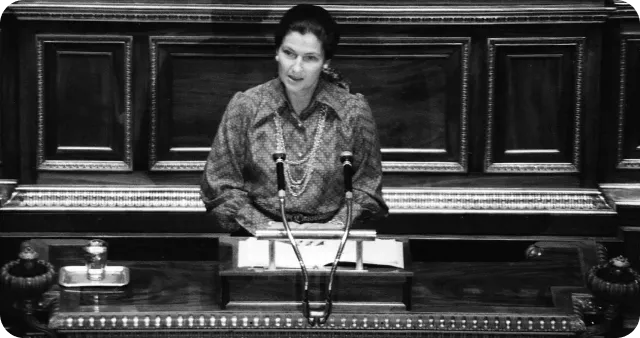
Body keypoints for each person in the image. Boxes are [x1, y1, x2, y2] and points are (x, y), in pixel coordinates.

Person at [200, 4, 388, 235]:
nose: (296, 68)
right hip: (258, 236)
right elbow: (220, 186)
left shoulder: (352, 110)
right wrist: (268, 229)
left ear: (326, 62)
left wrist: (332, 228)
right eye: (289, 53)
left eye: (309, 58)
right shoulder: (246, 106)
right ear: (277, 52)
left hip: (332, 239)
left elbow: (367, 189)